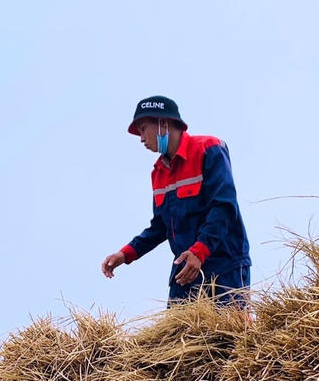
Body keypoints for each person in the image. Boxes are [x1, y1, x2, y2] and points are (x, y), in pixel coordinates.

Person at [101, 95, 251, 304]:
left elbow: (224, 207)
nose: (141, 139)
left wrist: (199, 252)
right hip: (185, 271)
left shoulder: (209, 148)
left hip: (224, 266)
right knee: (177, 326)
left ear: (163, 123)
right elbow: (160, 226)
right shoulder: (158, 172)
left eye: (143, 129)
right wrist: (126, 254)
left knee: (230, 325)